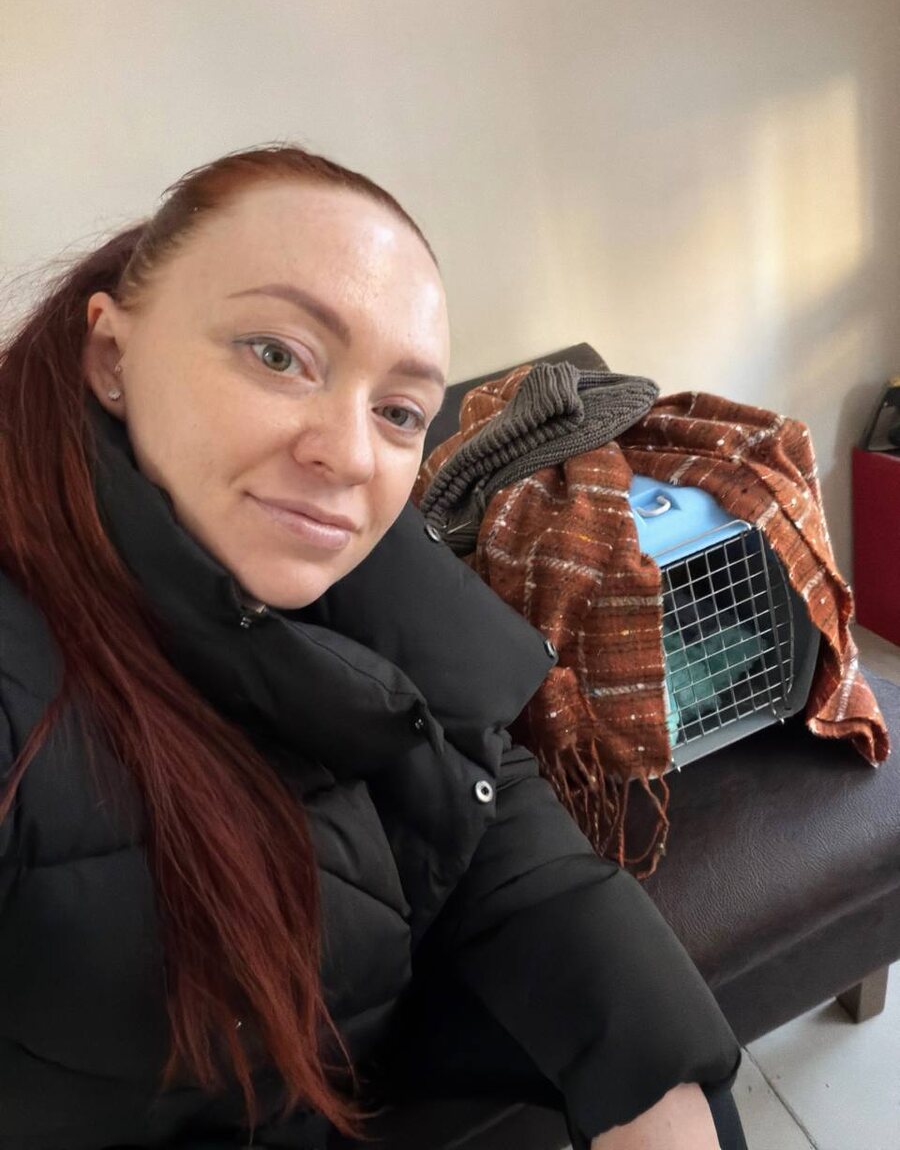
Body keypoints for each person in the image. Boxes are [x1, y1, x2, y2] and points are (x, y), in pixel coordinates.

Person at [0, 145, 747, 1150]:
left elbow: (483, 794)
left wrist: (660, 1081)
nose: (348, 454)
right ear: (110, 357)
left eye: (399, 411)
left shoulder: (346, 550)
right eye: (278, 355)